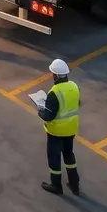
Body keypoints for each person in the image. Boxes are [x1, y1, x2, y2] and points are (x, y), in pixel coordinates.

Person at [38, 59, 82, 196]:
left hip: (56, 132)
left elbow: (48, 116)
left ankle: (56, 185)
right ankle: (74, 184)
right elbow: (77, 103)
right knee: (69, 154)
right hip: (71, 129)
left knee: (54, 158)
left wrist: (40, 110)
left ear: (55, 76)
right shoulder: (74, 86)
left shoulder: (54, 92)